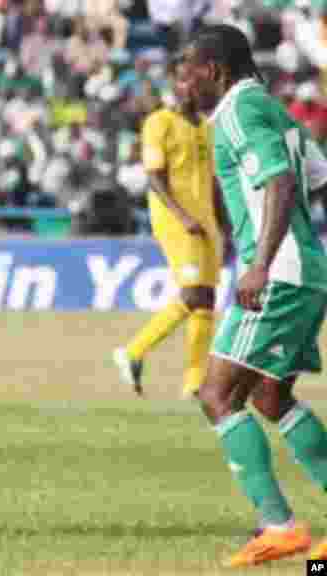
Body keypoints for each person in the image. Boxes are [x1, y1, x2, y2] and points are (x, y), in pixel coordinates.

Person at [179, 24, 327, 567]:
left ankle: (279, 525)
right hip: (305, 269)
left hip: (280, 273)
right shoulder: (270, 108)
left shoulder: (238, 111)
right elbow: (317, 176)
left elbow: (281, 181)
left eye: (189, 73)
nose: (184, 85)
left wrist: (260, 263)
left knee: (217, 395)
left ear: (214, 70)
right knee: (269, 395)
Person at [113, 54, 222, 398]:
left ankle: (194, 382)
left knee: (206, 300)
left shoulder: (207, 127)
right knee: (192, 294)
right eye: (183, 79)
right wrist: (184, 217)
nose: (190, 86)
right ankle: (132, 351)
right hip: (176, 221)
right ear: (174, 84)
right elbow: (155, 178)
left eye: (195, 80)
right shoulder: (158, 123)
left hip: (205, 222)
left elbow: (214, 182)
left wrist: (225, 224)